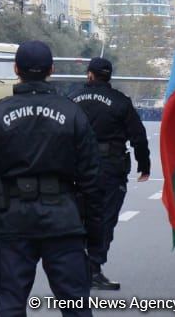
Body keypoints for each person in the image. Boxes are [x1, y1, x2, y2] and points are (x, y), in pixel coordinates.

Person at [0, 41, 102, 317]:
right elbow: (92, 179)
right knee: (76, 305)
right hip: (63, 222)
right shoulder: (72, 113)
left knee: (11, 304)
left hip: (13, 221)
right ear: (51, 70)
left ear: (16, 69)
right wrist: (96, 231)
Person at [67, 56, 152, 290]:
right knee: (104, 220)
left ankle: (74, 268)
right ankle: (93, 267)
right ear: (109, 76)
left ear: (89, 74)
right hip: (109, 169)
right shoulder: (120, 102)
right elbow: (138, 136)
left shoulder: (71, 99)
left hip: (76, 167)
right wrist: (144, 166)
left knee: (76, 218)